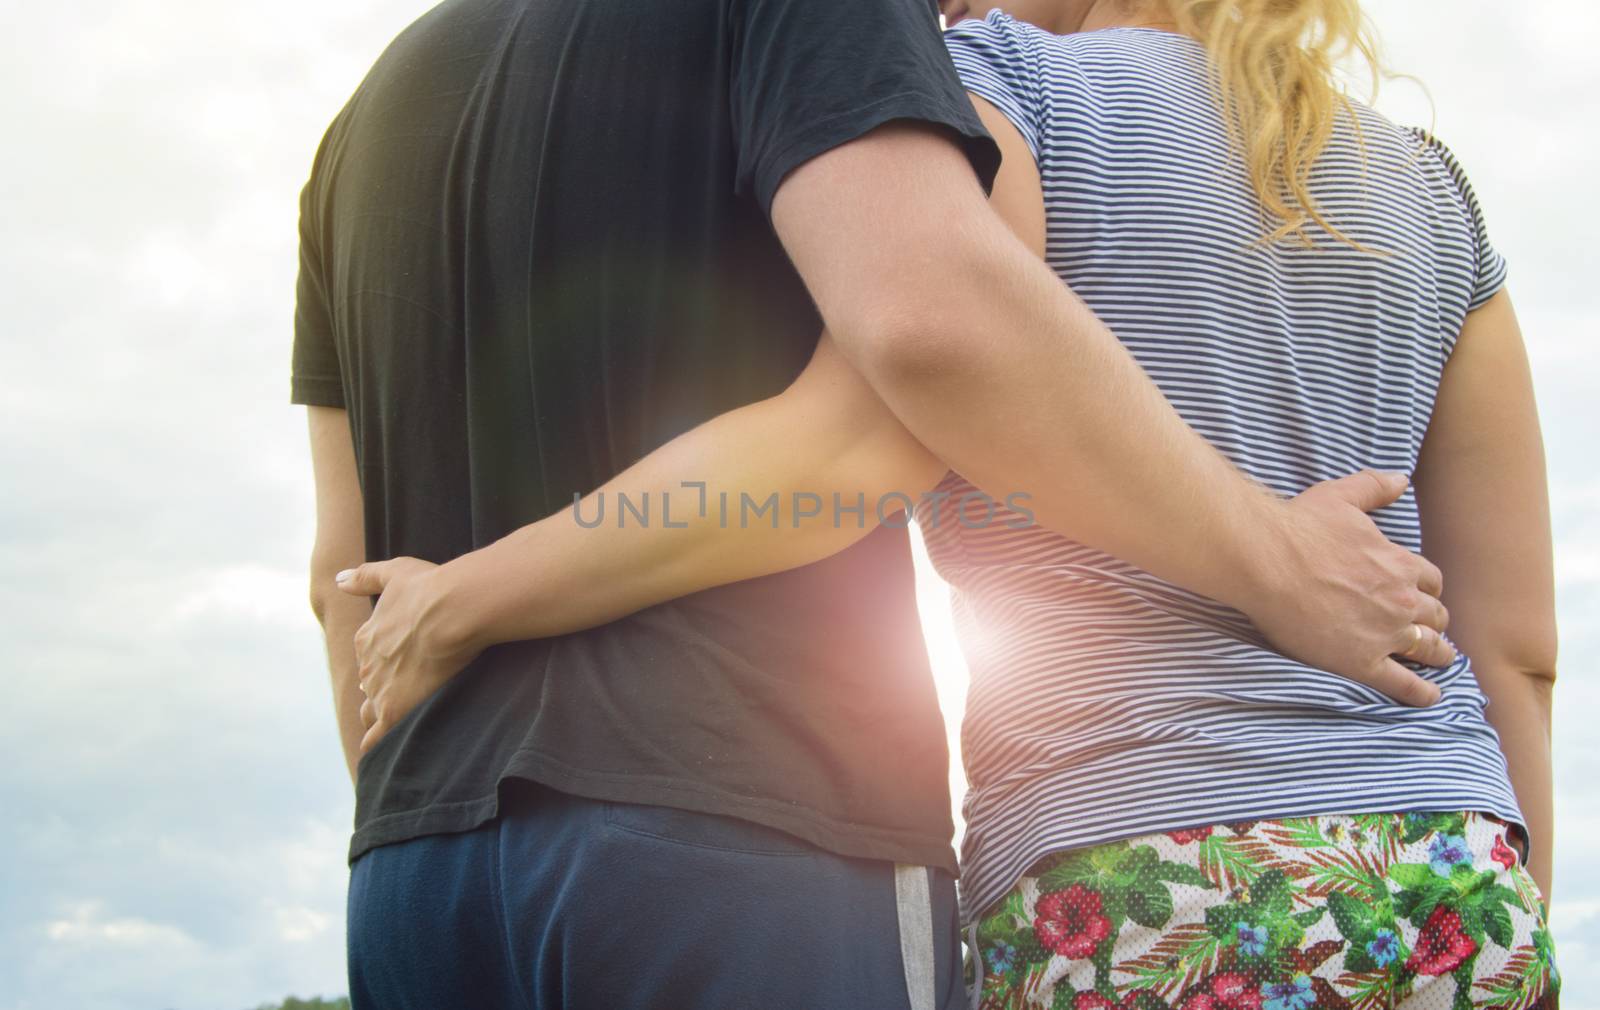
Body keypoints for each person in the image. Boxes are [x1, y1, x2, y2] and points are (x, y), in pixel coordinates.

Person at [301, 0, 1462, 1006]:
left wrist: (416, 793)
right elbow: (874, 418)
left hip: (415, 875)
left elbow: (340, 572)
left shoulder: (361, 123)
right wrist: (1273, 553)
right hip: (749, 827)